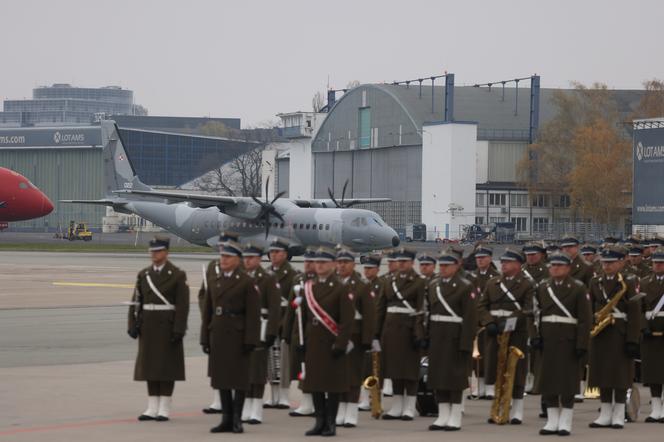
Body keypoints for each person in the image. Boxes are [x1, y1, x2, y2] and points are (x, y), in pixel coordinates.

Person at [200, 240, 260, 433]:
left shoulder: (246, 282)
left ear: (237, 260)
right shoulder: (215, 281)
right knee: (221, 378)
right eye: (222, 256)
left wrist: (251, 339)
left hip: (238, 335)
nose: (223, 260)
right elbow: (208, 312)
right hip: (218, 335)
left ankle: (236, 418)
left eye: (227, 257)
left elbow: (253, 314)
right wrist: (205, 338)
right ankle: (225, 418)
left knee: (238, 379)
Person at [128, 236, 189, 422]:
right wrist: (132, 324)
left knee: (167, 367)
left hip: (167, 326)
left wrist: (179, 328)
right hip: (148, 325)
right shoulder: (144, 274)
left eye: (158, 251)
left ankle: (164, 407)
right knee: (150, 367)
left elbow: (182, 305)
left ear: (166, 252)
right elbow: (136, 301)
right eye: (152, 251)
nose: (154, 254)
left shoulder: (177, 275)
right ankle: (151, 406)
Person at [298, 246, 355, 437]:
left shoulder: (340, 288)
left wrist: (340, 344)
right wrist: (303, 341)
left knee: (332, 387)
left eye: (324, 262)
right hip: (314, 342)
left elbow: (347, 321)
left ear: (332, 264)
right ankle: (319, 421)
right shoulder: (310, 286)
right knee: (314, 385)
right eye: (317, 262)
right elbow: (306, 317)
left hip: (332, 344)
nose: (319, 266)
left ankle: (331, 423)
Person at [535, 252, 592, 436]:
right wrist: (535, 336)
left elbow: (585, 319)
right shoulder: (543, 287)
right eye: (553, 266)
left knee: (567, 382)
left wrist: (582, 343)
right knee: (549, 381)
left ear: (568, 268)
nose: (555, 268)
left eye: (559, 266)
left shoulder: (578, 288)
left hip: (569, 340)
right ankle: (552, 421)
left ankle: (565, 420)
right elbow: (536, 314)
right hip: (548, 339)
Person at [478, 247, 535, 425]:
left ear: (518, 264)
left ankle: (517, 409)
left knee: (515, 372)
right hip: (495, 331)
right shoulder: (492, 283)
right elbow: (481, 305)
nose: (503, 265)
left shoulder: (526, 284)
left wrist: (510, 321)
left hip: (516, 332)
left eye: (508, 262)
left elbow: (528, 308)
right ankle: (498, 407)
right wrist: (489, 322)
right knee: (496, 369)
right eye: (502, 262)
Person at [588, 245, 641, 430]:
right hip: (601, 332)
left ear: (621, 262)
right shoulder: (596, 282)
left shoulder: (628, 280)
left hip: (620, 331)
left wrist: (633, 339)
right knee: (601, 372)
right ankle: (604, 412)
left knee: (619, 375)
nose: (607, 266)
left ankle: (619, 413)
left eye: (611, 262)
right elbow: (591, 309)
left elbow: (635, 312)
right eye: (604, 262)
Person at [426, 247, 478, 431]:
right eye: (442, 265)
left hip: (455, 337)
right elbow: (429, 313)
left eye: (448, 265)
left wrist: (466, 343)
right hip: (437, 336)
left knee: (454, 379)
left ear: (457, 266)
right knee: (438, 377)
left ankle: (455, 416)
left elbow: (470, 318)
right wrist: (427, 338)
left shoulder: (465, 286)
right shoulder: (434, 285)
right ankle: (442, 415)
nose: (443, 268)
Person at [378, 247, 426, 420]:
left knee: (410, 371)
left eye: (404, 261)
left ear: (412, 263)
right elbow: (381, 308)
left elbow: (421, 309)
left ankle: (409, 406)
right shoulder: (389, 280)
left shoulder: (419, 282)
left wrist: (419, 334)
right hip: (390, 330)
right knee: (394, 369)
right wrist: (377, 333)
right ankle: (397, 405)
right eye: (399, 261)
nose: (401, 264)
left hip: (409, 329)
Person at [335, 247, 377, 428]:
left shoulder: (362, 286)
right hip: (335, 335)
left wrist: (367, 340)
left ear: (353, 265)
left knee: (352, 376)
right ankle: (340, 410)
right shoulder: (333, 283)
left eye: (346, 262)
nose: (342, 266)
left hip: (355, 336)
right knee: (338, 375)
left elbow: (369, 315)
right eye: (340, 262)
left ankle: (351, 412)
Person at [241, 243, 281, 425]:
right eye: (245, 257)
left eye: (251, 257)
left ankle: (256, 408)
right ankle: (245, 406)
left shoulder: (267, 279)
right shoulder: (239, 277)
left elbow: (274, 308)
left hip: (261, 328)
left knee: (257, 371)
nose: (247, 260)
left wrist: (272, 332)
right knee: (243, 369)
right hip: (241, 329)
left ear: (258, 259)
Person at [201, 231, 240, 415]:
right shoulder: (212, 267)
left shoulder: (242, 271)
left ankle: (240, 404)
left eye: (228, 246)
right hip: (217, 324)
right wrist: (208, 315)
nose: (223, 250)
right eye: (222, 246)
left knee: (236, 366)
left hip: (236, 326)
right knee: (217, 366)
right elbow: (204, 294)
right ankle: (218, 400)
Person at [265, 238, 299, 409]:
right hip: (269, 322)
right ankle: (273, 395)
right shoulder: (266, 273)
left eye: (277, 252)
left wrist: (286, 323)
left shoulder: (293, 275)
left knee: (284, 361)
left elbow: (294, 303)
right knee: (271, 361)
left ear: (285, 254)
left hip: (285, 320)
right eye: (271, 252)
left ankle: (284, 396)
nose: (273, 255)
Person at [284, 248, 317, 417]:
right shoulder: (298, 280)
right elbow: (292, 309)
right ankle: (306, 402)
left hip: (317, 332)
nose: (308, 265)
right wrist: (287, 332)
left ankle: (317, 402)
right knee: (302, 368)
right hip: (300, 332)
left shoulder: (321, 282)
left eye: (311, 262)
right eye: (306, 261)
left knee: (316, 369)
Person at [468, 244, 500, 399]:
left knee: (490, 356)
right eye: (478, 258)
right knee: (475, 357)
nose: (480, 261)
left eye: (483, 258)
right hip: (474, 321)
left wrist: (489, 320)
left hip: (489, 322)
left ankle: (489, 387)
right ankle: (479, 388)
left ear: (490, 259)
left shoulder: (496, 277)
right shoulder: (471, 277)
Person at [640, 247, 664, 423]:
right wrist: (643, 326)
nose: (658, 265)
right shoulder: (645, 282)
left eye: (661, 263)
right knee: (654, 372)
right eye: (655, 262)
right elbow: (639, 309)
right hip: (651, 331)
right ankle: (655, 408)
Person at [358, 253, 384, 411]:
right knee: (363, 367)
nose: (367, 271)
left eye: (370, 268)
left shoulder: (381, 285)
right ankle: (364, 399)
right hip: (362, 331)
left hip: (376, 332)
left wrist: (377, 334)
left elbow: (380, 311)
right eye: (365, 268)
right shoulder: (361, 286)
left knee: (375, 368)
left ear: (377, 269)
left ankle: (374, 400)